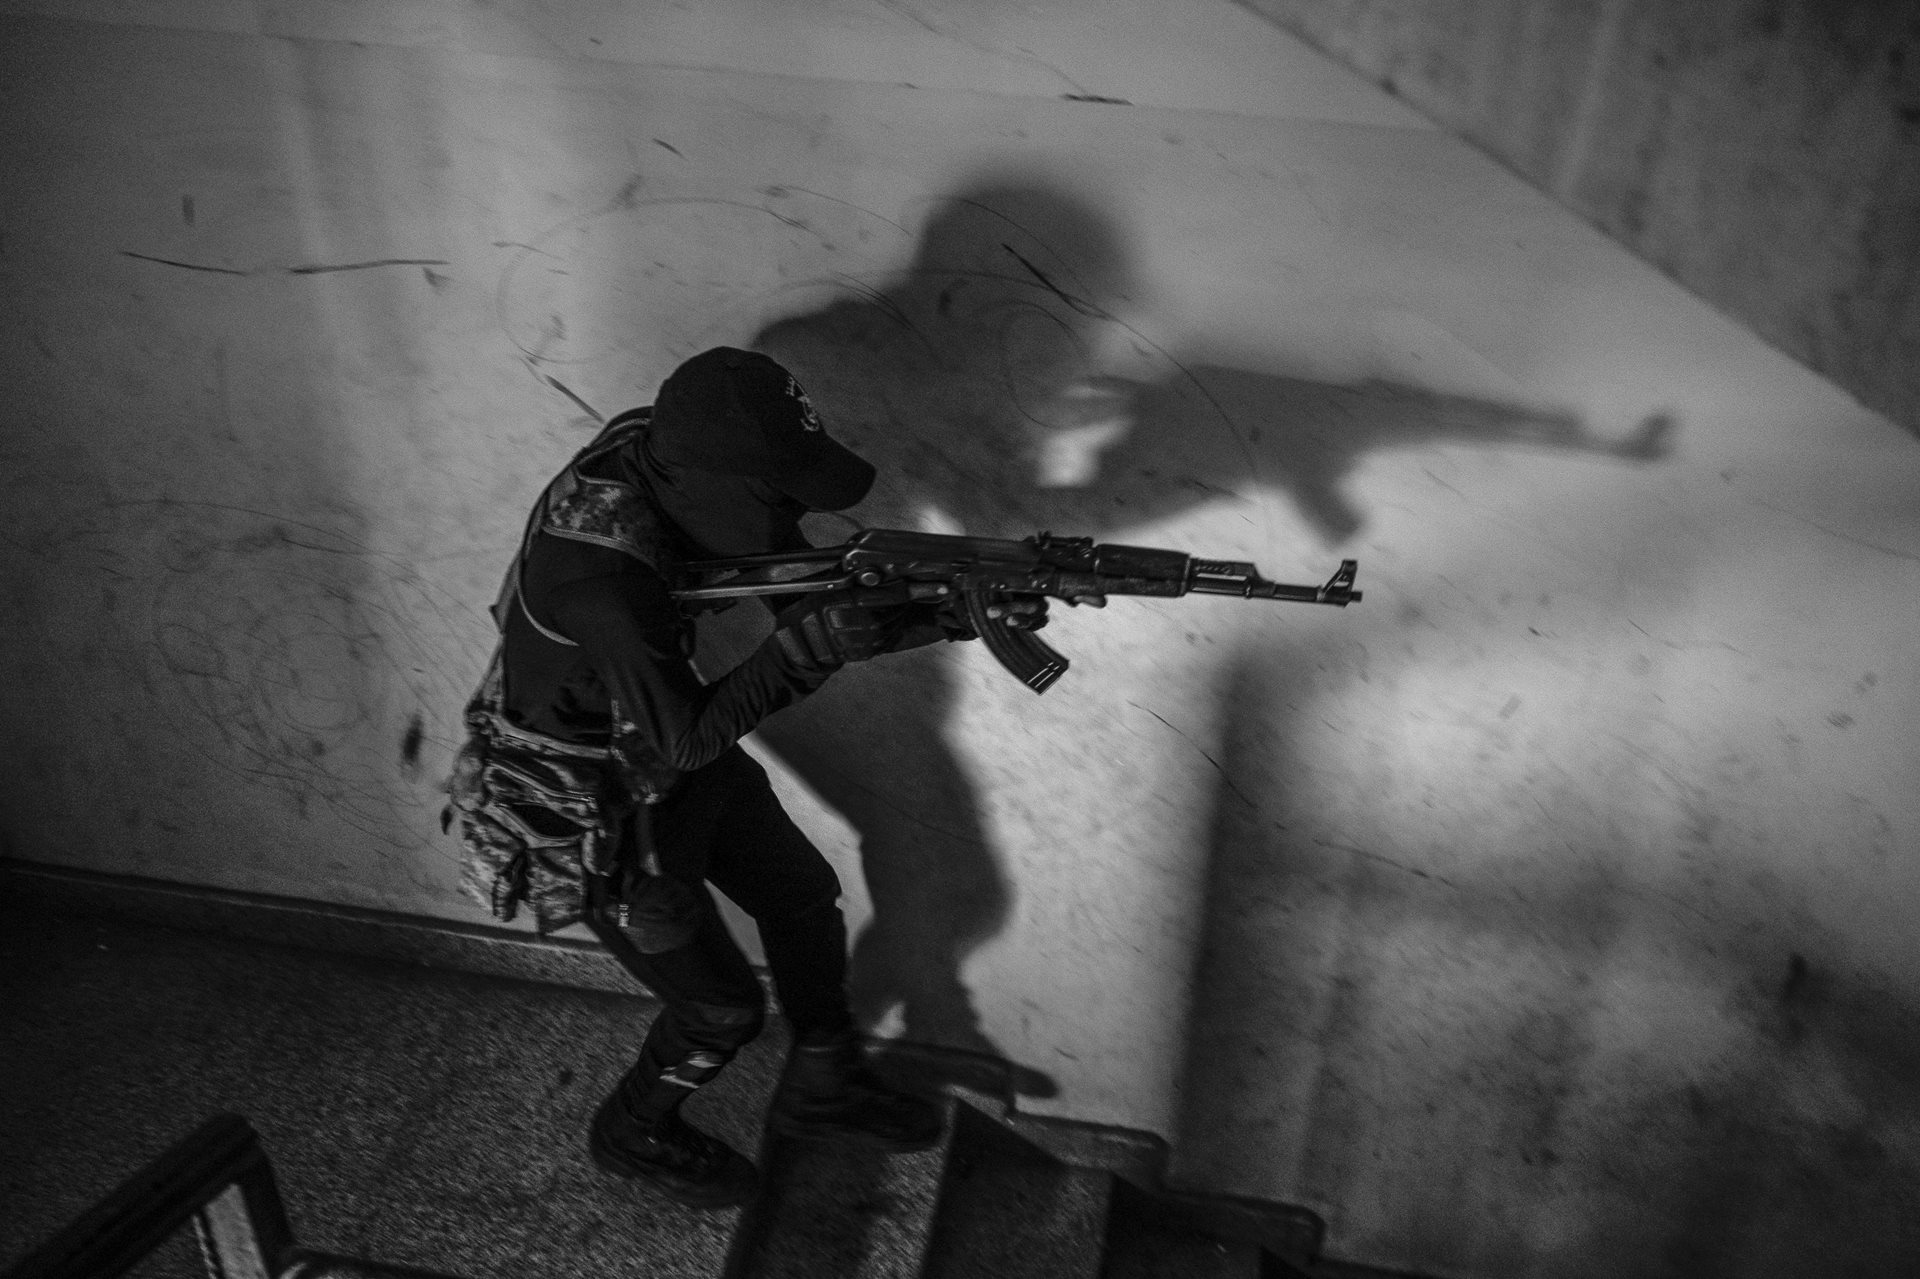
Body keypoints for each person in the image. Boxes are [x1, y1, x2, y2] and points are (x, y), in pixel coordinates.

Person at [446, 346, 1047, 1209]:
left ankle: (823, 1083)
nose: (797, 511)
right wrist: (807, 652)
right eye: (781, 495)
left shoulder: (653, 450)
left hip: (655, 742)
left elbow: (794, 592)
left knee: (802, 894)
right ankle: (633, 1128)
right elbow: (693, 732)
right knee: (721, 1009)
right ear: (716, 484)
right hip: (587, 806)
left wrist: (957, 614)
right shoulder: (602, 581)